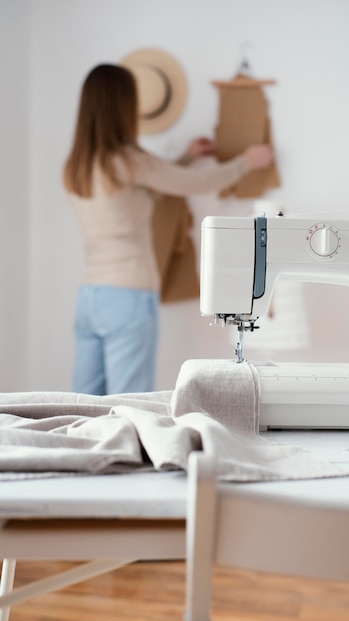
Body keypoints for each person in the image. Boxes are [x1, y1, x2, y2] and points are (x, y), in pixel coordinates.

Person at [63, 63, 273, 395]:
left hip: (90, 296)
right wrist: (246, 161)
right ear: (123, 107)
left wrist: (186, 157)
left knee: (83, 402)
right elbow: (197, 184)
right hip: (128, 295)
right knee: (129, 403)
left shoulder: (78, 165)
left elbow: (150, 185)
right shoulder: (130, 161)